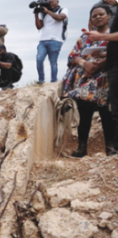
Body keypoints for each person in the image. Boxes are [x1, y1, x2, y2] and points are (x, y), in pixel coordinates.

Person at [66, 5, 116, 157]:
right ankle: (81, 148)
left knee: (107, 115)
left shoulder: (112, 36)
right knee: (84, 114)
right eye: (94, 16)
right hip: (86, 81)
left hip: (106, 80)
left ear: (109, 17)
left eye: (101, 14)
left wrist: (101, 63)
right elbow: (73, 56)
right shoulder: (84, 37)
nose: (98, 17)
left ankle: (110, 147)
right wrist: (85, 63)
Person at [34, 0, 68, 84]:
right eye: (49, 2)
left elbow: (60, 17)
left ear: (57, 1)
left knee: (53, 62)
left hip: (55, 40)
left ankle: (53, 81)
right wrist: (36, 14)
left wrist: (48, 11)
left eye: (52, 1)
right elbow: (39, 27)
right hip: (43, 40)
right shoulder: (44, 13)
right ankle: (41, 80)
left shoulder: (63, 10)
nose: (51, 3)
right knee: (39, 59)